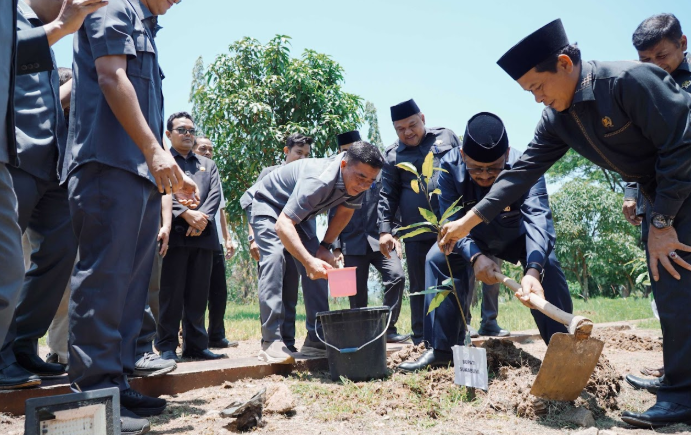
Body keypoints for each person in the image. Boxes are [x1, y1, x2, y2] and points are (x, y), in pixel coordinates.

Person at [438, 19, 691, 428]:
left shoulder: (627, 81)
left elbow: (682, 142)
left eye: (538, 86)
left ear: (564, 64)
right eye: (529, 92)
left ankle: (681, 395)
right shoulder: (557, 119)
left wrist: (662, 221)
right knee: (671, 292)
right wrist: (468, 220)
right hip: (658, 194)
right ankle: (678, 381)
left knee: (679, 288)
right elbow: (521, 174)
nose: (537, 98)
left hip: (682, 189)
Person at [62, 0, 199, 433]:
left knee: (130, 286)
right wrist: (155, 150)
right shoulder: (112, 5)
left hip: (140, 172)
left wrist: (170, 170)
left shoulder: (146, 24)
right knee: (104, 281)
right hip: (107, 164)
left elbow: (145, 107)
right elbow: (111, 76)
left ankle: (117, 383)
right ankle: (94, 394)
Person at [399, 112, 572, 371]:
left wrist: (534, 270)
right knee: (438, 258)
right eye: (476, 168)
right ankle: (442, 350)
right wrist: (475, 256)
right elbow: (451, 220)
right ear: (462, 155)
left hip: (515, 236)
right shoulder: (448, 166)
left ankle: (565, 351)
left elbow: (538, 219)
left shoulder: (526, 166)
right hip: (471, 237)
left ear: (507, 155)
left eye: (493, 168)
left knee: (548, 265)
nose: (484, 175)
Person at [1, 0, 108, 390]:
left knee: (60, 253)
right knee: (6, 262)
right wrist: (61, 26)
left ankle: (22, 345)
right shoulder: (11, 19)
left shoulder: (50, 37)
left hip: (53, 164)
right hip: (15, 155)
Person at [251, 141, 384, 363]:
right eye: (361, 178)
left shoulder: (358, 182)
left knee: (321, 267)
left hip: (299, 215)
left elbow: (344, 212)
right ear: (344, 164)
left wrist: (324, 247)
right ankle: (271, 340)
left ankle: (316, 338)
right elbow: (283, 224)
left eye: (370, 181)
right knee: (274, 260)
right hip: (270, 205)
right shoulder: (318, 179)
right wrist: (307, 261)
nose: (364, 185)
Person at [622, 13, 690, 395]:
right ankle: (675, 372)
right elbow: (638, 149)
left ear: (683, 44)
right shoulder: (641, 90)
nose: (655, 66)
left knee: (681, 294)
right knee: (668, 294)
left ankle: (681, 386)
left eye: (661, 56)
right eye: (645, 61)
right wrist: (631, 193)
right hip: (655, 204)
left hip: (683, 203)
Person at [378, 98, 460, 344]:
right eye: (400, 129)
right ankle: (421, 339)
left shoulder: (447, 137)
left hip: (451, 228)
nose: (407, 132)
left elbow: (464, 173)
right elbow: (387, 195)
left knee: (455, 281)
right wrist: (385, 231)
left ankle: (458, 334)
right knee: (419, 287)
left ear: (422, 119)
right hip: (416, 233)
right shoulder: (392, 155)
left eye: (412, 125)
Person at [156, 112, 225, 361]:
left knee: (198, 294)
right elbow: (161, 191)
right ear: (168, 134)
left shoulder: (208, 164)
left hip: (204, 235)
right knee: (171, 293)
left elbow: (215, 195)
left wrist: (201, 218)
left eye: (191, 130)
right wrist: (185, 214)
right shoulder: (164, 162)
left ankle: (196, 345)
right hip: (174, 236)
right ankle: (166, 345)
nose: (188, 134)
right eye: (182, 130)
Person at [330, 130, 408, 343]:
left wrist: (395, 234)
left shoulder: (379, 172)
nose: (348, 154)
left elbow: (390, 203)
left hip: (380, 240)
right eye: (344, 151)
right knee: (356, 293)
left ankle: (387, 329)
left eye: (352, 150)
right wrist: (336, 247)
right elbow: (332, 213)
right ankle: (362, 336)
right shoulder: (336, 176)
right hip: (351, 242)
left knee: (397, 276)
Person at [240, 133, 312, 353]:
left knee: (290, 292)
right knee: (273, 287)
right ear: (286, 151)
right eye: (298, 153)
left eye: (307, 154)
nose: (302, 158)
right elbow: (252, 203)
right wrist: (253, 238)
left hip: (294, 238)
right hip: (269, 237)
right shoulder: (270, 173)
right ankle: (270, 339)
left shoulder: (307, 176)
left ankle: (288, 342)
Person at [193, 135, 239, 349]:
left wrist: (227, 238)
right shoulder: (188, 171)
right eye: (203, 148)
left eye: (211, 149)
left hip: (215, 240)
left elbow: (220, 209)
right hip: (194, 238)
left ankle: (217, 336)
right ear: (193, 150)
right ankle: (192, 335)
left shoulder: (213, 173)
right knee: (195, 290)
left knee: (219, 290)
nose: (208, 152)